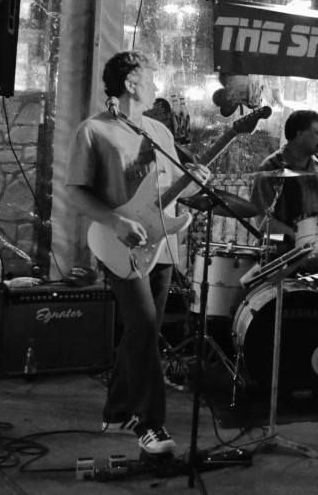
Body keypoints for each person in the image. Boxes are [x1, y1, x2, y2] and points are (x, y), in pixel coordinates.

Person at [67, 51, 211, 455]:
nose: (156, 86)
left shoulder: (158, 131)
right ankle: (150, 425)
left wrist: (197, 180)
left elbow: (172, 188)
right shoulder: (93, 131)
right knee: (145, 327)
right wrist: (115, 222)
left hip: (160, 242)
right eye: (150, 78)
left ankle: (116, 413)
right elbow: (75, 191)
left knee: (140, 330)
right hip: (117, 242)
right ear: (131, 83)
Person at [250, 109, 318, 242]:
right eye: (317, 133)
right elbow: (261, 220)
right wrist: (296, 235)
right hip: (286, 248)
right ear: (299, 134)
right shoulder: (271, 167)